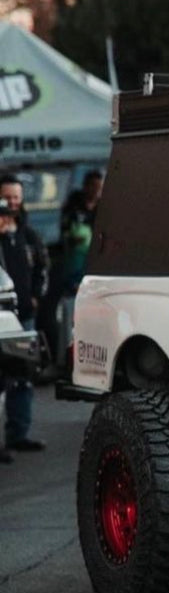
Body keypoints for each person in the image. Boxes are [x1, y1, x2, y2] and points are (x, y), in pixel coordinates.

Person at [0, 176, 49, 452]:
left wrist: (36, 295)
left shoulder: (28, 234)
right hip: (1, 316)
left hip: (24, 316)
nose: (12, 202)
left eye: (16, 197)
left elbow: (43, 265)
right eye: (7, 197)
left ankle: (18, 434)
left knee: (23, 377)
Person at [41, 169, 104, 365]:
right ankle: (62, 359)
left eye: (99, 188)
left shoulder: (102, 210)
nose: (95, 191)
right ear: (86, 187)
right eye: (92, 187)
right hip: (71, 269)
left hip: (90, 269)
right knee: (65, 316)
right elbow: (67, 236)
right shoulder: (73, 208)